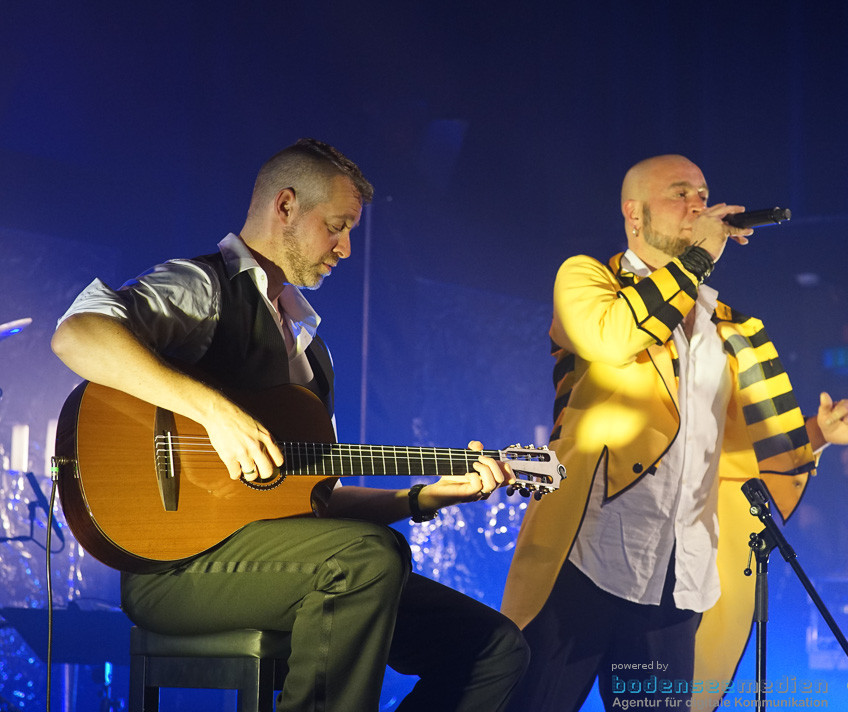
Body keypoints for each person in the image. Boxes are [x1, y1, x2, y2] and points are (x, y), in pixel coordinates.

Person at [51, 138, 529, 711]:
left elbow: (313, 500)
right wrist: (214, 412)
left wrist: (420, 497)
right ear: (285, 207)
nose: (346, 248)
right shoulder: (204, 286)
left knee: (492, 647)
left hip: (286, 562)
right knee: (368, 558)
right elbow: (76, 333)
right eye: (337, 226)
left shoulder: (310, 353)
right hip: (173, 568)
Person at [501, 154, 848, 711]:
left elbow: (730, 450)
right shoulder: (587, 280)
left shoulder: (730, 327)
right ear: (634, 214)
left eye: (702, 195)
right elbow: (612, 337)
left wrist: (818, 431)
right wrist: (699, 256)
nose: (697, 205)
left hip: (677, 578)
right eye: (680, 195)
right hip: (586, 558)